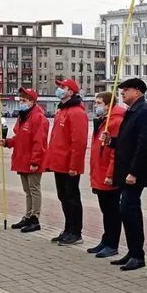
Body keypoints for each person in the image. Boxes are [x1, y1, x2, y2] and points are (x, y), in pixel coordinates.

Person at [107, 78, 147, 271]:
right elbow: (127, 141)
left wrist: (134, 172)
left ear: (137, 91)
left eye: (125, 90)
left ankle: (138, 255)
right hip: (125, 171)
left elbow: (143, 145)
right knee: (126, 211)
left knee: (130, 211)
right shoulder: (132, 111)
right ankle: (132, 251)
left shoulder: (144, 112)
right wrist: (112, 141)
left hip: (133, 173)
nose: (122, 94)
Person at [43, 78, 89, 245]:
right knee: (63, 196)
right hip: (59, 163)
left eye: (63, 87)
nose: (60, 89)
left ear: (71, 91)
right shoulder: (62, 110)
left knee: (72, 197)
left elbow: (79, 142)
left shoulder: (76, 112)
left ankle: (76, 232)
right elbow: (56, 139)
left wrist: (74, 165)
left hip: (69, 165)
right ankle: (68, 228)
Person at [0, 87, 48, 233]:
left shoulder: (38, 118)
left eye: (24, 100)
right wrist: (8, 142)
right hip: (22, 158)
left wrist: (35, 161)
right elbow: (20, 138)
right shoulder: (23, 116)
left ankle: (35, 218)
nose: (21, 102)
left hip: (31, 160)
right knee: (27, 190)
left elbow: (39, 142)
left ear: (32, 101)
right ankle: (28, 216)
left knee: (34, 189)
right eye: (20, 100)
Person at [87, 91, 126, 258]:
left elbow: (114, 152)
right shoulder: (103, 120)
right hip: (99, 171)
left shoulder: (115, 121)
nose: (96, 106)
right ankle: (106, 239)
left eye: (99, 103)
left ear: (108, 105)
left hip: (107, 174)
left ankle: (112, 243)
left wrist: (110, 174)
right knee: (105, 210)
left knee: (111, 211)